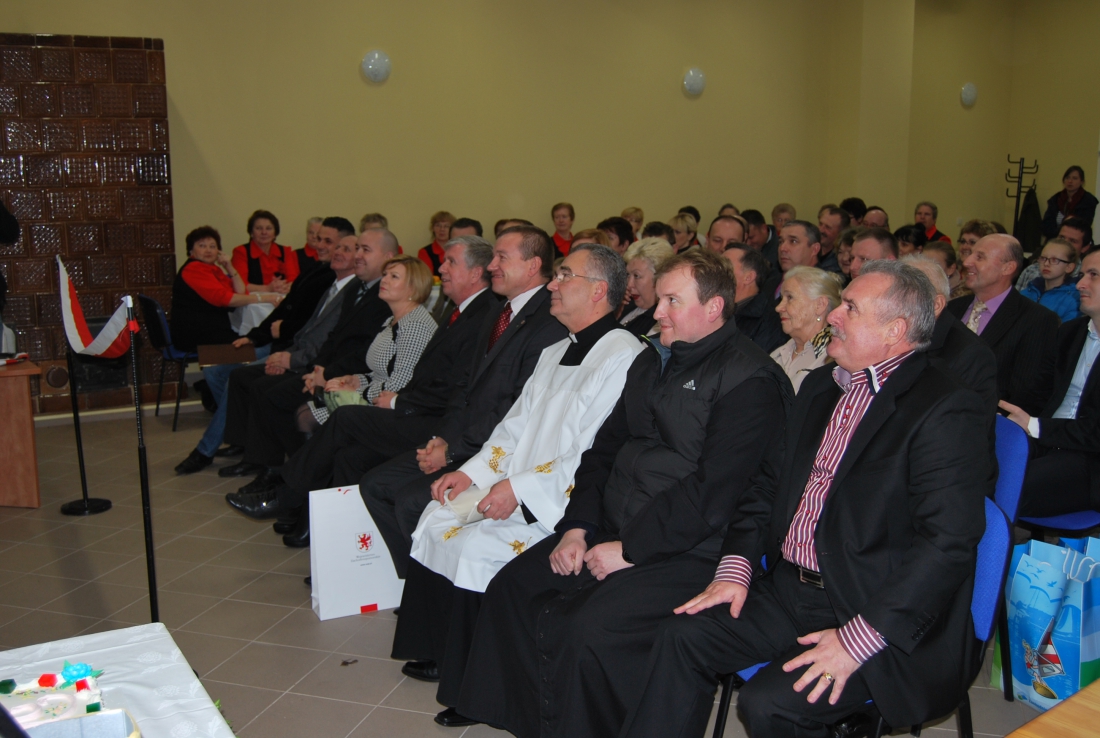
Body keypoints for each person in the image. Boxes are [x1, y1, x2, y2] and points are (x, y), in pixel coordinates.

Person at [621, 260, 991, 738]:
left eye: (850, 307)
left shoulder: (943, 406)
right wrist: (736, 566)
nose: (833, 314)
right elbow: (767, 484)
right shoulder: (821, 387)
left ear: (894, 330)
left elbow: (948, 543)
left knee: (768, 703)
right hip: (790, 588)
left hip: (871, 605)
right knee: (680, 635)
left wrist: (857, 640)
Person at [455, 249, 792, 737]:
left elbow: (713, 493)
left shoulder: (749, 379)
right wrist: (578, 528)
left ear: (714, 307)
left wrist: (630, 549)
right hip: (617, 527)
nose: (657, 312)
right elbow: (602, 452)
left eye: (672, 301)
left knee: (586, 627)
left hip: (693, 548)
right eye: (660, 299)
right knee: (515, 588)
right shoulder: (652, 360)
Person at [395, 244, 643, 728]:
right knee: (438, 516)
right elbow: (512, 429)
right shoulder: (555, 350)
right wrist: (473, 473)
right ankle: (442, 650)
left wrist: (519, 489)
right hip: (514, 486)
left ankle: (473, 688)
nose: (552, 284)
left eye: (565, 275)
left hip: (559, 503)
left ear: (599, 291)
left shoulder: (624, 355)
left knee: (477, 549)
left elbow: (592, 451)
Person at [230, 236, 498, 540]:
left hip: (433, 421)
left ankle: (286, 496)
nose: (441, 268)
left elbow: (455, 387)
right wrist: (357, 382)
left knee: (344, 418)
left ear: (476, 273)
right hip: (418, 407)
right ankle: (341, 539)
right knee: (350, 455)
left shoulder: (480, 315)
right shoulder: (460, 311)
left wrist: (397, 402)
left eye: (451, 262)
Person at [360, 226, 568, 580]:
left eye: (502, 258)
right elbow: (464, 388)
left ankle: (426, 590)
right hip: (463, 439)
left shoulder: (548, 322)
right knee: (376, 485)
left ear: (532, 265)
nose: (492, 266)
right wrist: (442, 438)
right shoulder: (499, 311)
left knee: (412, 501)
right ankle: (413, 583)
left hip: (500, 454)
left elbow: (516, 408)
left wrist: (453, 452)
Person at [219, 228, 396, 491]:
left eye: (365, 250)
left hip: (354, 378)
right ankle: (285, 471)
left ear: (388, 257)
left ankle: (293, 476)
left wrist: (326, 374)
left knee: (274, 396)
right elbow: (334, 337)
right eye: (357, 248)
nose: (358, 255)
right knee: (263, 388)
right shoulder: (356, 289)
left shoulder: (384, 295)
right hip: (330, 368)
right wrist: (318, 368)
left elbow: (366, 353)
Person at [173, 221, 350, 476]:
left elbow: (304, 324)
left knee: (237, 377)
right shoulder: (316, 271)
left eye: (327, 241)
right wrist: (254, 337)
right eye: (317, 239)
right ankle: (241, 434)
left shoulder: (332, 278)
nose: (318, 245)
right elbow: (285, 308)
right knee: (215, 371)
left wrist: (279, 333)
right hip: (253, 339)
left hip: (286, 346)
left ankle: (207, 449)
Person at [1000, 250, 1100, 518]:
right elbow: (1041, 390)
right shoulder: (1071, 333)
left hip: (1090, 458)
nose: (1080, 284)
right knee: (970, 468)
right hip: (1046, 440)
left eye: (1093, 275)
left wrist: (1034, 425)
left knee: (1007, 487)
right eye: (1082, 274)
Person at [300, 254, 438, 431]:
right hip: (376, 396)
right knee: (307, 410)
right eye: (385, 274)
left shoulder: (415, 326)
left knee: (308, 417)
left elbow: (402, 384)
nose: (384, 280)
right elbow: (380, 372)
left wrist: (356, 391)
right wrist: (354, 380)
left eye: (394, 276)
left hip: (394, 408)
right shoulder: (392, 321)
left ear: (413, 288)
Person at [947, 234, 1060, 413]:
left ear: (1007, 268)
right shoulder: (952, 308)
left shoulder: (1037, 320)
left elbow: (1026, 393)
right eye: (970, 255)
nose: (967, 262)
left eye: (980, 257)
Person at [900, 256, 999, 413]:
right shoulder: (892, 333)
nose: (890, 304)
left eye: (902, 296)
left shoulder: (971, 355)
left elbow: (962, 422)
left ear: (936, 305)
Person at [170, 226, 278, 354]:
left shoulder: (213, 269)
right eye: (202, 246)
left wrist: (229, 266)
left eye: (212, 246)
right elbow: (227, 300)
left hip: (211, 331)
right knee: (265, 345)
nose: (208, 250)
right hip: (197, 336)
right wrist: (265, 298)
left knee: (260, 340)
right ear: (191, 251)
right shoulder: (194, 269)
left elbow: (240, 292)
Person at [770, 266, 841, 392]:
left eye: (790, 298)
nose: (778, 308)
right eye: (781, 299)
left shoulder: (834, 360)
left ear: (819, 305)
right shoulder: (778, 354)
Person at [724, 244, 785, 353]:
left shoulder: (769, 324)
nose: (715, 271)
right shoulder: (716, 309)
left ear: (748, 277)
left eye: (725, 266)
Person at [231, 209, 299, 294]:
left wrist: (287, 288)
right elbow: (241, 285)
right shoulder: (241, 252)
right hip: (252, 299)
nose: (264, 232)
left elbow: (293, 279)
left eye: (269, 228)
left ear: (275, 233)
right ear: (251, 232)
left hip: (282, 296)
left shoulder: (285, 251)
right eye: (259, 228)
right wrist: (267, 289)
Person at [1016, 216, 1092, 290]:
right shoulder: (1031, 270)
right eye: (1062, 237)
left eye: (1072, 241)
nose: (1064, 243)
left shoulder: (1086, 278)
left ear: (1084, 248)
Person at [620, 237, 674, 336]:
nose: (629, 284)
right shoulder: (626, 305)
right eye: (628, 275)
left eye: (637, 276)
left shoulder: (662, 321)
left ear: (659, 278)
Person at [1020, 238, 1081, 323]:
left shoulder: (1074, 299)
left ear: (1069, 267)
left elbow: (1067, 329)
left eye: (1054, 260)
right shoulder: (1027, 291)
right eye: (1043, 258)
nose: (1046, 264)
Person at [1041, 165, 1098, 238]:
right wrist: (1059, 236)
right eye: (1067, 178)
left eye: (1075, 178)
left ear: (1082, 182)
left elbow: (1083, 226)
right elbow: (1046, 225)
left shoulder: (1088, 201)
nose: (1070, 181)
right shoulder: (1055, 199)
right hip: (1054, 239)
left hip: (1077, 240)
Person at [418, 211, 456, 277]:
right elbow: (426, 278)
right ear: (433, 228)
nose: (442, 229)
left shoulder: (458, 250)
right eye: (438, 225)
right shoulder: (424, 252)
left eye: (446, 226)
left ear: (452, 229)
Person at [816, 206, 850, 274]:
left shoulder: (841, 262)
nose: (821, 230)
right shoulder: (809, 249)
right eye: (820, 224)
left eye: (827, 227)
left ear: (840, 232)